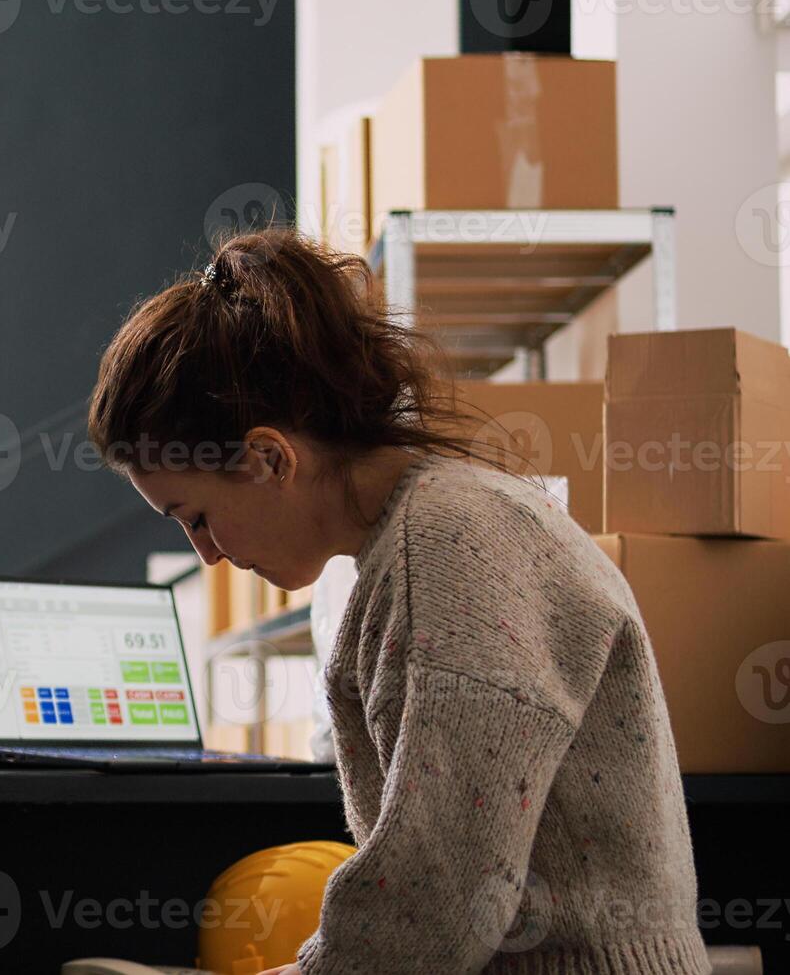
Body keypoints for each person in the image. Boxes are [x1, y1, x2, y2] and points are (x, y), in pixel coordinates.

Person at [87, 230, 709, 974]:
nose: (208, 555)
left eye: (196, 517)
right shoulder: (439, 527)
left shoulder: (448, 546)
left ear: (269, 457)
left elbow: (435, 906)